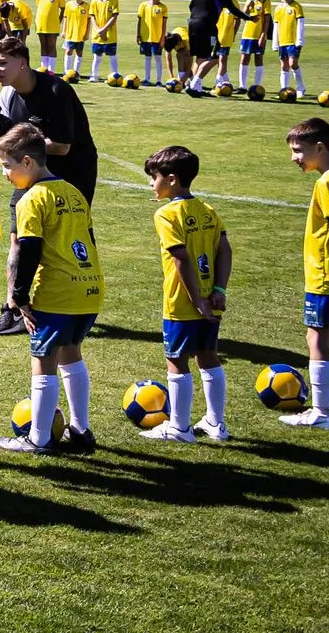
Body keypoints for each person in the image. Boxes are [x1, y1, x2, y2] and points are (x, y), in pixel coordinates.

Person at [0, 122, 103, 456]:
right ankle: (81, 430)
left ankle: (38, 438)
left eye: (7, 167)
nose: (5, 175)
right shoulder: (73, 192)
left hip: (57, 292)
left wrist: (19, 297)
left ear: (27, 162)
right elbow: (90, 241)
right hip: (89, 289)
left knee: (43, 361)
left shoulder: (31, 200)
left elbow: (27, 250)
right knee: (72, 354)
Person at [0, 35, 100, 335]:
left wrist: (17, 138)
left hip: (73, 174)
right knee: (18, 237)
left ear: (23, 63)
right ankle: (13, 307)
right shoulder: (8, 94)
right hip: (30, 172)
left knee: (73, 234)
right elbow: (16, 136)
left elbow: (61, 147)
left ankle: (83, 297)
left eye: (3, 63)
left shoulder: (56, 90)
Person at [142, 145, 231, 442]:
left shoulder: (167, 214)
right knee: (208, 356)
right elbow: (224, 250)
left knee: (176, 360)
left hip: (182, 302)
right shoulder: (207, 210)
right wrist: (218, 290)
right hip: (211, 297)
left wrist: (195, 301)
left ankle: (179, 428)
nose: (151, 184)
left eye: (153, 178)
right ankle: (216, 424)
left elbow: (180, 258)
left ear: (171, 179)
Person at [281, 118, 329, 430]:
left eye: (298, 151)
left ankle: (322, 412)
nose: (294, 158)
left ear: (320, 147)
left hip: (324, 276)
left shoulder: (326, 183)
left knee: (317, 338)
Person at [182, 0, 243, 94]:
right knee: (215, 57)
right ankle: (195, 84)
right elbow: (233, 9)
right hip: (208, 27)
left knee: (201, 57)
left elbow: (191, 6)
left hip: (193, 24)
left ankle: (193, 84)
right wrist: (249, 17)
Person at [238, 0, 271, 92]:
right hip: (247, 34)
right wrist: (247, 6)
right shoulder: (249, 0)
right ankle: (242, 86)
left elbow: (267, 21)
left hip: (259, 35)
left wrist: (263, 35)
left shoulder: (266, 2)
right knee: (244, 58)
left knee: (258, 59)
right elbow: (243, 16)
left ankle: (257, 86)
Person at [86, 0, 121, 83]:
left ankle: (115, 77)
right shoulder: (94, 1)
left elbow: (114, 17)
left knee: (112, 56)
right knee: (97, 56)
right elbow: (92, 17)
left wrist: (104, 30)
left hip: (110, 35)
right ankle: (94, 76)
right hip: (97, 35)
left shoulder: (114, 1)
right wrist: (98, 30)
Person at [274, 0, 307, 95]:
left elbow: (301, 24)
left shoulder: (296, 7)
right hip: (282, 41)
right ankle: (284, 90)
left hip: (293, 41)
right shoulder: (278, 8)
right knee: (284, 66)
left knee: (293, 63)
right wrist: (275, 42)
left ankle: (300, 88)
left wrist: (299, 40)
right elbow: (276, 26)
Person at [137, 0, 170, 87]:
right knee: (147, 58)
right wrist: (138, 35)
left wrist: (162, 38)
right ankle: (146, 79)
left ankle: (159, 80)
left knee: (158, 58)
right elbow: (139, 21)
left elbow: (164, 24)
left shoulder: (163, 8)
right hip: (145, 37)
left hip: (157, 38)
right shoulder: (143, 6)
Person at [33, 0, 64, 73]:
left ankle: (51, 70)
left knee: (51, 46)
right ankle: (44, 68)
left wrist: (59, 20)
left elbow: (63, 8)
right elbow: (40, 6)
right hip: (41, 24)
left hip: (53, 25)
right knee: (43, 46)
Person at [61, 0, 91, 76]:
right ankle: (66, 71)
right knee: (69, 51)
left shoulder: (87, 6)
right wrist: (63, 31)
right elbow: (65, 18)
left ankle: (75, 72)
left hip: (80, 34)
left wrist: (87, 33)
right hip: (70, 33)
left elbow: (89, 21)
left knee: (79, 52)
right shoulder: (69, 5)